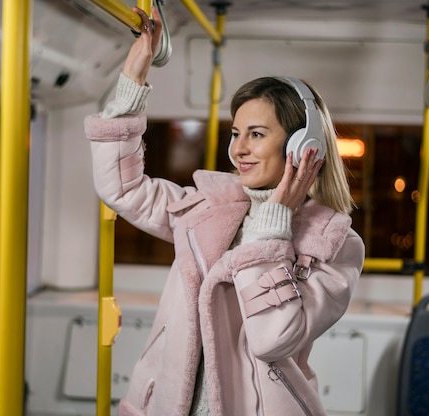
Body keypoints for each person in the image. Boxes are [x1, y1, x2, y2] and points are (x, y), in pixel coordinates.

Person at [84, 7, 365, 416]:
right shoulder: (210, 208)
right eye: (236, 133)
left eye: (256, 134)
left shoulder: (332, 244)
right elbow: (122, 188)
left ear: (302, 147)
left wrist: (272, 228)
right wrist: (133, 78)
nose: (238, 149)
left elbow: (273, 338)